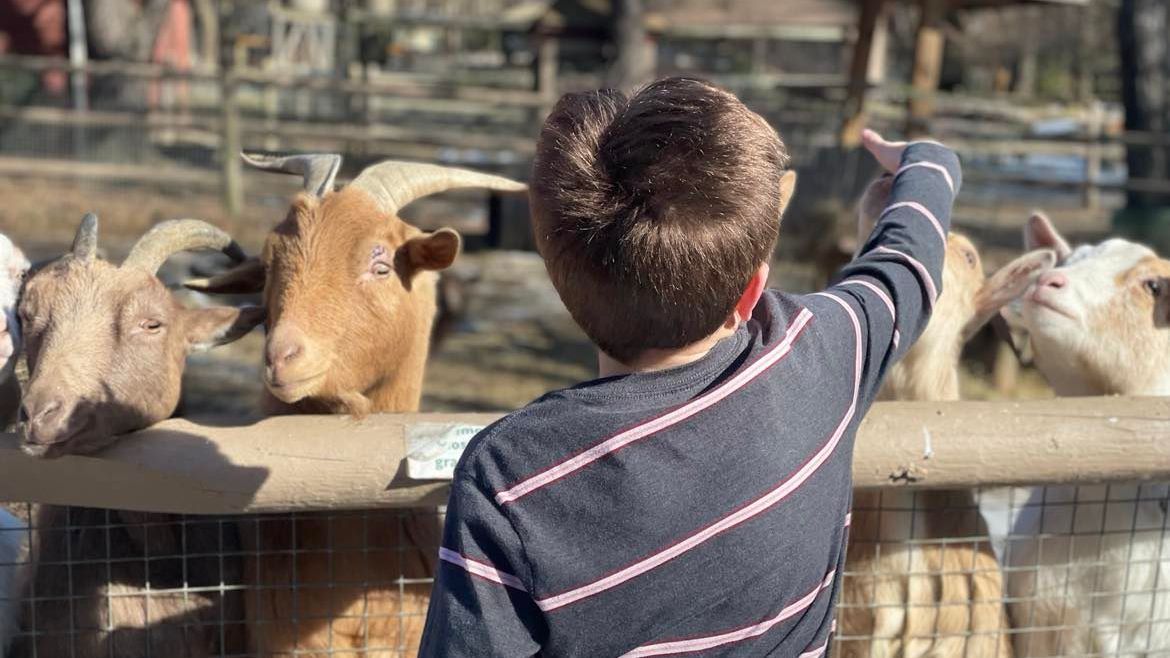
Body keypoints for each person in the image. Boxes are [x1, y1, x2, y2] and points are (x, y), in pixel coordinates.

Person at [419, 77, 960, 657]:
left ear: (560, 280)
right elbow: (904, 270)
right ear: (753, 290)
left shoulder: (511, 477)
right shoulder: (819, 353)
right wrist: (928, 164)